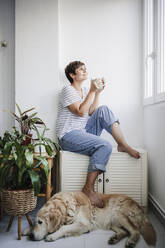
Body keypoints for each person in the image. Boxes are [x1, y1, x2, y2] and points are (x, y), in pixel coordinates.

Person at [56, 61, 140, 208]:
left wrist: (97, 93)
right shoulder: (67, 90)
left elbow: (92, 112)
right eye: (80, 69)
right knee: (105, 145)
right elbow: (80, 111)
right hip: (68, 135)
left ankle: (122, 144)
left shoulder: (86, 90)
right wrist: (92, 92)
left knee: (103, 109)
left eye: (85, 69)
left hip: (83, 131)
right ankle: (88, 188)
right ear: (72, 75)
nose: (84, 71)